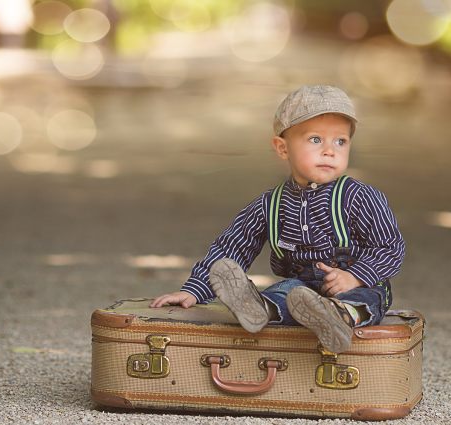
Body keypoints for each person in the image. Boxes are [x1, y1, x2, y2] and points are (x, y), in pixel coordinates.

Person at [150, 85, 405, 353]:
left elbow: (390, 246)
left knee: (365, 299)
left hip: (357, 285)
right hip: (303, 290)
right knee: (284, 293)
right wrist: (195, 289)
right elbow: (232, 247)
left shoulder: (359, 197)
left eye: (340, 141)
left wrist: (355, 276)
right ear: (282, 148)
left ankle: (339, 317)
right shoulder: (270, 204)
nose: (330, 150)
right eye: (316, 140)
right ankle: (259, 310)